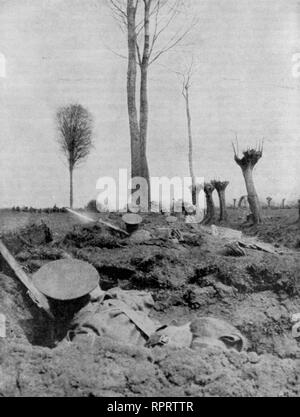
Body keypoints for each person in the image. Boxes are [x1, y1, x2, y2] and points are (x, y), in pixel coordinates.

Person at [32, 259, 247, 351]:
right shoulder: (115, 300)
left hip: (169, 349)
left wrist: (57, 337)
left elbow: (60, 360)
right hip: (177, 337)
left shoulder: (85, 330)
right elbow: (147, 298)